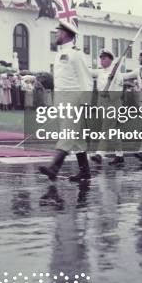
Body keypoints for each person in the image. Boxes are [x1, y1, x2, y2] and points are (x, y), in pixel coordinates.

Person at [38, 19, 94, 183]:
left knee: (67, 133)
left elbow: (87, 80)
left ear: (65, 33)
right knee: (76, 139)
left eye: (58, 32)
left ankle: (54, 167)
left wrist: (85, 103)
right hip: (61, 99)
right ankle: (85, 171)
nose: (56, 34)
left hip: (73, 98)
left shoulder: (76, 54)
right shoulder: (60, 53)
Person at [91, 48, 125, 165]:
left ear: (110, 60)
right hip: (102, 103)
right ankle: (119, 155)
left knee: (105, 129)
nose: (101, 60)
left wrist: (108, 94)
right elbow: (89, 72)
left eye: (104, 58)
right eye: (101, 58)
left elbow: (119, 92)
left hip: (112, 103)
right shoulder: (101, 72)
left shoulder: (117, 74)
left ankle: (99, 154)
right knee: (112, 131)